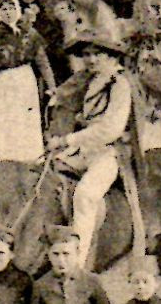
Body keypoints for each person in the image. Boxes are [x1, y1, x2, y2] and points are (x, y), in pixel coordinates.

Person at [49, 31, 132, 269]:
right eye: (87, 55)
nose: (92, 60)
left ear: (111, 56)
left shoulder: (119, 84)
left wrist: (68, 139)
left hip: (108, 153)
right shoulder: (89, 80)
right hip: (82, 151)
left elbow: (110, 129)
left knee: (85, 196)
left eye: (98, 54)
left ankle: (78, 262)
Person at [0, 0, 54, 164]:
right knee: (3, 123)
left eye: (11, 8)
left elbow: (42, 62)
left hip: (23, 80)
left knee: (23, 122)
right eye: (3, 9)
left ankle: (28, 159)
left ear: (18, 9)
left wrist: (52, 86)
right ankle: (2, 162)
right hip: (0, 83)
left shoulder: (29, 33)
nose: (8, 12)